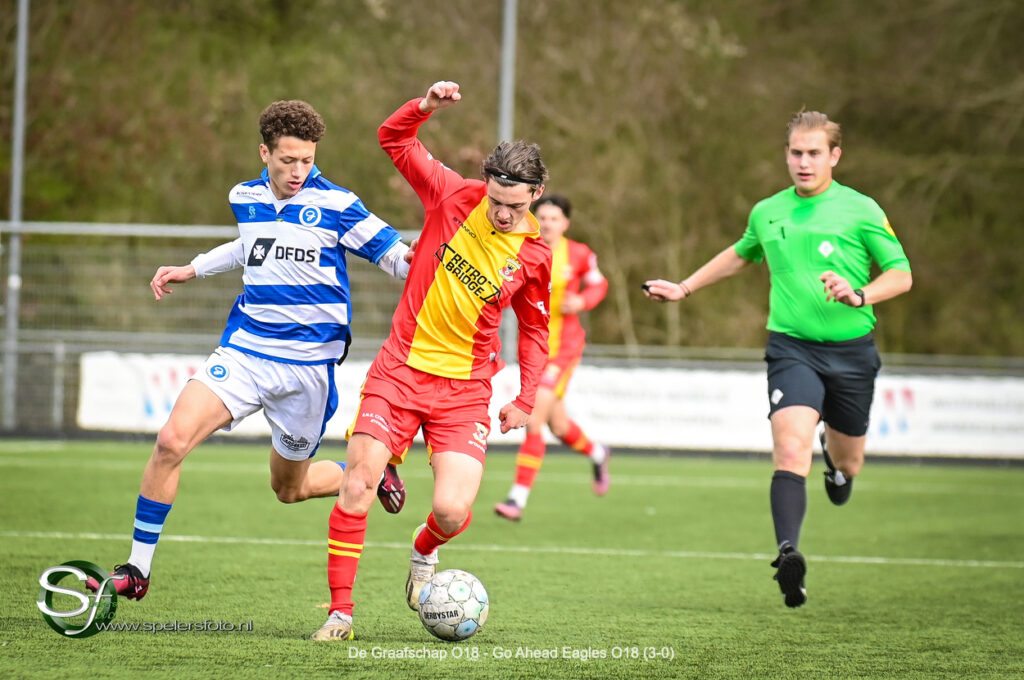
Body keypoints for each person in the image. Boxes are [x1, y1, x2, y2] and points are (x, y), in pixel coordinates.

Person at [87, 99, 410, 601]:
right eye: (287, 160)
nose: (299, 170)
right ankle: (136, 568)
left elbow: (395, 257)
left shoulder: (339, 204)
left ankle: (365, 472)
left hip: (308, 368)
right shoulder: (244, 195)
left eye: (307, 160)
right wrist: (191, 268)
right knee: (171, 441)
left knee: (289, 490)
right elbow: (250, 244)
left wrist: (441, 267)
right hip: (246, 351)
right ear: (265, 152)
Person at [311, 80, 552, 641]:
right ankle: (340, 614)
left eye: (513, 205)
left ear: (537, 193)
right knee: (357, 484)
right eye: (493, 199)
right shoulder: (450, 194)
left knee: (449, 510)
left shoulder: (536, 255)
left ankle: (423, 554)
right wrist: (425, 108)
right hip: (399, 371)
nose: (499, 212)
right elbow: (392, 139)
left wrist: (524, 398)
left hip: (464, 391)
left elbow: (536, 331)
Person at [643, 110, 912, 608]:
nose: (803, 162)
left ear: (834, 155)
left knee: (849, 463)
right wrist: (684, 286)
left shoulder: (861, 209)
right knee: (790, 449)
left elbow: (901, 273)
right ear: (786, 154)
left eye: (814, 153)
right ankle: (788, 554)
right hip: (792, 348)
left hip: (853, 352)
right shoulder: (768, 211)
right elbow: (743, 253)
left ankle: (837, 465)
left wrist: (859, 294)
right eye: (795, 152)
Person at [494, 194, 610, 521]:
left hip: (564, 349)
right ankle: (598, 454)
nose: (546, 223)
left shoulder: (579, 254)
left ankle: (517, 498)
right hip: (536, 352)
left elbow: (599, 286)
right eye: (541, 216)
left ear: (565, 223)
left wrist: (583, 301)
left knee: (534, 417)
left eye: (553, 218)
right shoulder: (520, 249)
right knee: (558, 425)